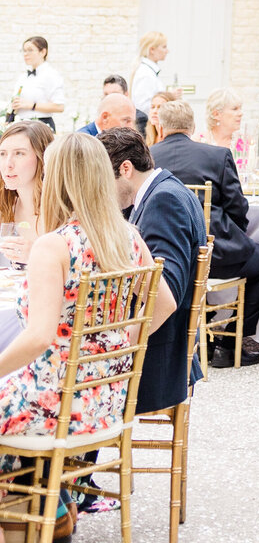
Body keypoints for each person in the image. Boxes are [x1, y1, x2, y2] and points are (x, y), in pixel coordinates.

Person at [0, 133, 176, 534]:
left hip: (54, 402)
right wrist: (119, 350)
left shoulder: (55, 246)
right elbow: (164, 302)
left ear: (56, 177)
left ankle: (32, 513)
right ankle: (50, 505)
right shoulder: (125, 236)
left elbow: (39, 337)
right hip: (107, 401)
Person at [152, 100, 259, 367]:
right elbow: (238, 208)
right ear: (192, 126)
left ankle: (197, 334)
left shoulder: (149, 156)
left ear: (160, 127)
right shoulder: (216, 155)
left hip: (164, 257)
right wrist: (233, 236)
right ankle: (229, 343)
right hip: (214, 255)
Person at [99, 126, 208, 415]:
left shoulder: (164, 201)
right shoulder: (166, 190)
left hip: (156, 363)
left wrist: (118, 350)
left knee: (66, 378)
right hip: (163, 350)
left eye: (102, 181)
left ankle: (69, 456)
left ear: (125, 169)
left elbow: (164, 295)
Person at [0, 121, 53, 268]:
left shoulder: (61, 212)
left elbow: (81, 273)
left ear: (42, 158)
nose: (8, 164)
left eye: (19, 153)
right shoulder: (5, 207)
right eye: (2, 154)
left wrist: (36, 256)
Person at [8, 37, 65, 132]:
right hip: (20, 125)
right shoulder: (23, 77)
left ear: (43, 52)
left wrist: (32, 105)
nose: (25, 54)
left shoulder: (51, 75)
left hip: (41, 126)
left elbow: (59, 106)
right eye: (24, 50)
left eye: (30, 50)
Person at [197, 90, 249, 173]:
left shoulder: (246, 142)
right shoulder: (198, 142)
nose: (241, 113)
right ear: (216, 114)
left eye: (240, 108)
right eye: (235, 109)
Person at [130, 32, 170, 117]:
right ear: (152, 49)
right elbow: (142, 107)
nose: (167, 51)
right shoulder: (146, 74)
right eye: (164, 47)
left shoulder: (150, 72)